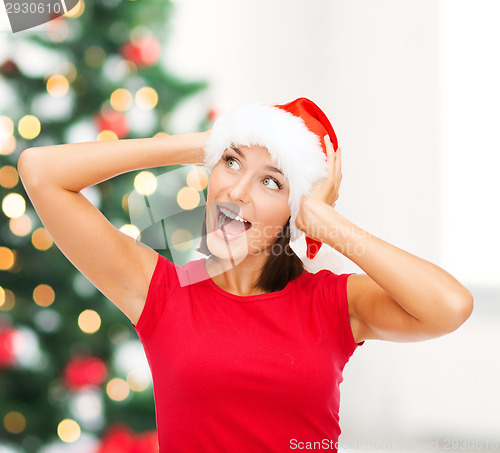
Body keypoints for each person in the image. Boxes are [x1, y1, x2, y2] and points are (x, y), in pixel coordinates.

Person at [18, 97, 474, 452]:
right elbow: (39, 171)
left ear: (295, 210)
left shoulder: (333, 304)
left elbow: (450, 306)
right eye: (231, 163)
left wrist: (324, 222)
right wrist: (203, 144)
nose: (236, 191)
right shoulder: (161, 291)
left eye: (271, 181)